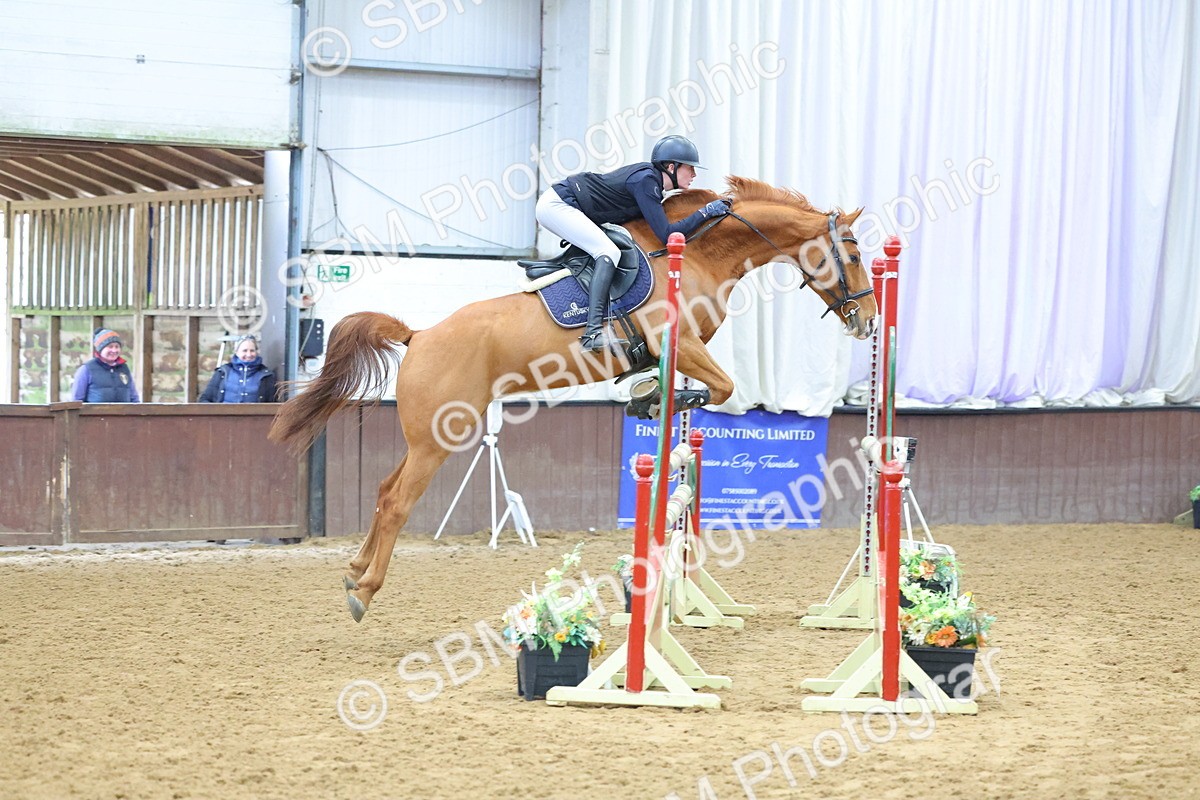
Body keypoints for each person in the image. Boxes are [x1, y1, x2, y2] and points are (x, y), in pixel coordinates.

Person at [535, 134, 732, 354]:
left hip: (568, 203)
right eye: (690, 168)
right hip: (558, 205)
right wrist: (705, 212)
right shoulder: (646, 182)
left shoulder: (651, 183)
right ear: (671, 166)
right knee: (607, 251)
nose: (694, 174)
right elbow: (668, 235)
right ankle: (592, 333)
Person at [199, 335, 278, 403]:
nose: (249, 354)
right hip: (223, 419)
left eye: (252, 350)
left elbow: (272, 404)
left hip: (253, 420)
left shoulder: (266, 376)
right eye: (244, 350)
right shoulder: (223, 372)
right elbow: (205, 399)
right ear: (236, 352)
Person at [71, 328, 140, 402]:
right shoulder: (86, 369)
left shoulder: (124, 368)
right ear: (100, 349)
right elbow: (77, 400)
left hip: (124, 413)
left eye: (117, 346)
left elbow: (134, 398)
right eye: (110, 347)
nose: (114, 350)